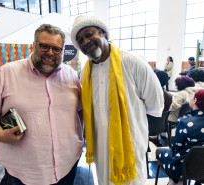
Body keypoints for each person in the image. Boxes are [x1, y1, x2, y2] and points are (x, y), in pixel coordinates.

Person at [0, 24, 83, 185]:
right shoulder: (5, 73)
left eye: (56, 49)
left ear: (62, 51)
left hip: (67, 164)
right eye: (44, 46)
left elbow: (80, 111)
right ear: (33, 45)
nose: (50, 52)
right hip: (23, 170)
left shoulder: (71, 75)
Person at [70, 15, 164, 185]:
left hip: (130, 148)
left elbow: (155, 104)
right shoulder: (86, 73)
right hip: (100, 150)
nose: (85, 41)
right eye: (80, 40)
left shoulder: (133, 63)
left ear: (104, 33)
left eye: (89, 34)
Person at [156, 89, 204, 185]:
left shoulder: (185, 122)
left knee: (161, 152)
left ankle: (175, 181)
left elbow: (176, 147)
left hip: (186, 168)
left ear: (195, 101)